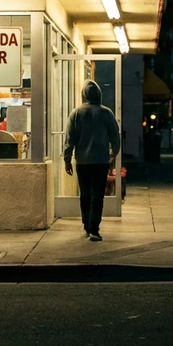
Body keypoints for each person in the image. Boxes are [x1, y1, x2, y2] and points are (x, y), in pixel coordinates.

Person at [63, 80, 121, 242]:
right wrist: (113, 153)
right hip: (101, 161)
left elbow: (69, 139)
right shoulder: (106, 113)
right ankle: (94, 228)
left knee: (85, 194)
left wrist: (67, 160)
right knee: (97, 196)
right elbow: (115, 137)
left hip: (82, 162)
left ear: (84, 94)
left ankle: (86, 226)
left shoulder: (76, 113)